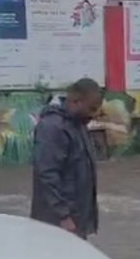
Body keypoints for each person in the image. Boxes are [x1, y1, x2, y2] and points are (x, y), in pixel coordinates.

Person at [30, 78, 104, 240]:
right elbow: (47, 175)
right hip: (57, 221)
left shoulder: (78, 124)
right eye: (92, 108)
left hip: (76, 218)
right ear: (76, 101)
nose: (95, 114)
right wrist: (63, 215)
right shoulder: (52, 127)